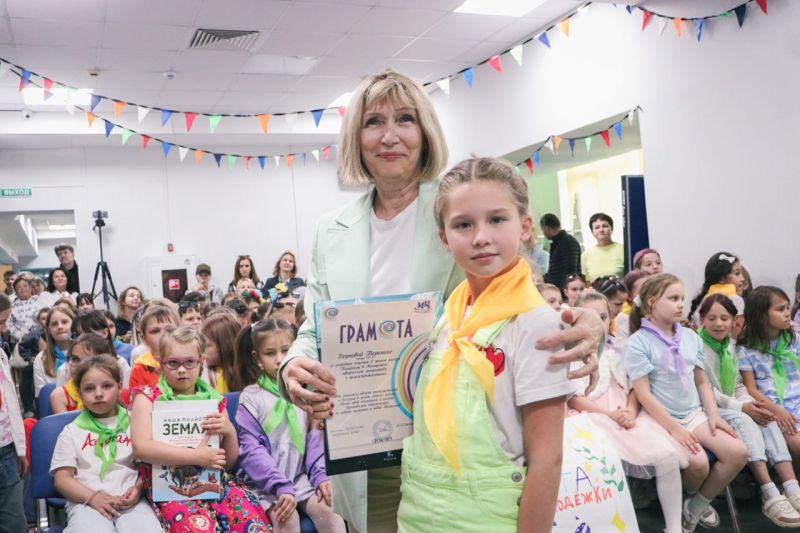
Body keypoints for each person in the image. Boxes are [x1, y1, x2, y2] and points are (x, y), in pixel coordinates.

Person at [278, 70, 601, 533]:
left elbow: (515, 294)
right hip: (361, 441)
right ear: (355, 138)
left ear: (425, 130)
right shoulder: (330, 230)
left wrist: (588, 321)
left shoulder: (460, 210)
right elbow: (314, 326)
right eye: (373, 122)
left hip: (456, 447)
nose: (390, 135)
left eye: (405, 119)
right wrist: (293, 365)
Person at [396, 158, 573, 532]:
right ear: (444, 238)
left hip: (489, 517)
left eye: (496, 219)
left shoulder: (535, 322)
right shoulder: (449, 314)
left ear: (525, 226)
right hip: (418, 511)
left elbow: (547, 460)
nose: (480, 237)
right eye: (463, 224)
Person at [623, 273, 748, 532]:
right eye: (673, 298)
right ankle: (688, 499)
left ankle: (695, 504)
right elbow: (643, 394)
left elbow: (702, 382)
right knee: (698, 464)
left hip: (693, 414)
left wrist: (714, 415)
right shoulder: (638, 342)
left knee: (738, 453)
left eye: (681, 298)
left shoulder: (691, 337)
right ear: (651, 301)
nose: (681, 304)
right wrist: (674, 428)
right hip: (660, 419)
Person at [129, 326, 270, 532]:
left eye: (189, 362)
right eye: (173, 363)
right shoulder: (147, 398)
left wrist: (229, 431)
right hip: (169, 487)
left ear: (200, 362)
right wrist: (196, 457)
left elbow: (228, 462)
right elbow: (141, 448)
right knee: (197, 528)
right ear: (161, 363)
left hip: (216, 482)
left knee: (251, 523)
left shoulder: (214, 401)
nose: (182, 370)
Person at [569, 292, 689, 533]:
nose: (598, 323)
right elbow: (574, 398)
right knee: (601, 459)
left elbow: (635, 388)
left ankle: (674, 527)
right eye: (590, 317)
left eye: (603, 317)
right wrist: (609, 415)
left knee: (666, 455)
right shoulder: (570, 355)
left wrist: (631, 412)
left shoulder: (620, 349)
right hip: (591, 415)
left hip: (625, 412)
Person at [699, 293, 800, 525]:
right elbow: (705, 389)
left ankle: (792, 487)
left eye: (725, 318)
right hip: (707, 409)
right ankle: (769, 491)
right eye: (712, 318)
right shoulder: (697, 346)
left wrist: (750, 404)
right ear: (701, 319)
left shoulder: (730, 346)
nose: (719, 324)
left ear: (735, 321)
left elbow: (738, 386)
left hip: (732, 405)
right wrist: (743, 406)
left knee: (764, 416)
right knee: (748, 420)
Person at [237, 319, 345, 532]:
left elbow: (315, 441)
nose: (279, 359)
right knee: (287, 518)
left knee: (330, 510)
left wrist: (321, 476)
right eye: (270, 353)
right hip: (265, 483)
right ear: (257, 358)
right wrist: (280, 486)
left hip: (300, 478)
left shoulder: (307, 392)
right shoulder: (250, 398)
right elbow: (251, 451)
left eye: (286, 351)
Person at [51, 354, 161, 531]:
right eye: (89, 389)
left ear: (119, 387)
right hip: (86, 502)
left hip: (133, 501)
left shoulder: (137, 423)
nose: (98, 394)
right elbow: (62, 479)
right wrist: (93, 497)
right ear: (79, 392)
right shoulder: (71, 432)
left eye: (107, 386)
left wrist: (139, 489)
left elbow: (149, 467)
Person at [738, 286, 800, 458]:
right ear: (761, 315)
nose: (787, 313)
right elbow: (751, 389)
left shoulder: (794, 339)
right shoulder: (746, 350)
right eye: (780, 309)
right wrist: (778, 411)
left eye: (787, 308)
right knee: (797, 444)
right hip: (776, 408)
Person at [0, 294, 30, 533]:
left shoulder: (1, 354)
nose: (4, 328)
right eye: (1, 322)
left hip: (5, 449)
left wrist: (19, 449)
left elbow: (11, 405)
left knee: (14, 524)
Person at [51, 333, 115, 414]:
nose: (79, 367)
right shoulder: (59, 396)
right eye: (75, 359)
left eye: (88, 361)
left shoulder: (116, 392)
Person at [68, 311, 131, 387]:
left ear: (105, 333)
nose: (83, 339)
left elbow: (126, 392)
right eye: (78, 335)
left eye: (88, 334)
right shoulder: (69, 367)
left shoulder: (120, 364)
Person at [128, 306, 179, 389]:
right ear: (144, 339)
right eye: (155, 331)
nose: (163, 335)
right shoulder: (139, 369)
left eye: (169, 330)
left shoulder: (190, 360)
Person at [687, 251, 747, 322]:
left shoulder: (703, 301)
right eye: (737, 273)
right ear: (721, 279)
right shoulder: (735, 300)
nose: (743, 278)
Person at [33, 306, 75, 397]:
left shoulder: (85, 352)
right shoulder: (41, 359)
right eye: (54, 324)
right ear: (49, 330)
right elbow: (42, 396)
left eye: (64, 322)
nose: (60, 327)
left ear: (73, 325)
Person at [200, 311, 242, 393]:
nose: (202, 351)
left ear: (224, 345)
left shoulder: (246, 381)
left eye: (207, 345)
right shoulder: (222, 375)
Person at [540, 213, 582, 290]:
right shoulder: (559, 242)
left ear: (546, 228)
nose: (543, 233)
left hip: (565, 291)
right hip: (561, 290)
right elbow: (555, 271)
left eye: (543, 230)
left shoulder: (567, 242)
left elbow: (571, 271)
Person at [581, 213, 624, 282]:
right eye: (597, 227)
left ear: (612, 229)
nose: (601, 230)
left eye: (605, 226)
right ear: (592, 232)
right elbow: (587, 282)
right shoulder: (585, 255)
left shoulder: (624, 250)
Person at [8, 277, 38, 342]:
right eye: (19, 287)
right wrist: (22, 337)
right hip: (20, 341)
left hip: (40, 337)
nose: (22, 288)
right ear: (15, 291)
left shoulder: (40, 300)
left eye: (25, 286)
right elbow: (9, 324)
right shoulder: (11, 307)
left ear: (30, 288)